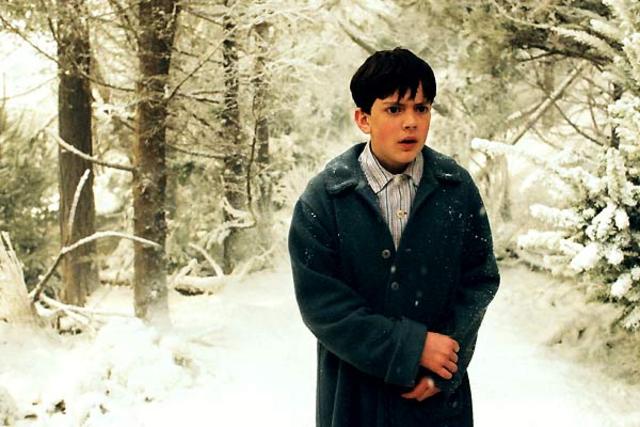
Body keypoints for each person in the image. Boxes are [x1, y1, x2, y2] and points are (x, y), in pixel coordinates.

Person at [288, 47, 500, 427]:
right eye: (394, 109)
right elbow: (322, 305)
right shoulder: (325, 198)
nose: (411, 123)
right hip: (354, 398)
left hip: (435, 403)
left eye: (422, 108)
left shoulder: (456, 188)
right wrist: (412, 348)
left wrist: (444, 367)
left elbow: (478, 281)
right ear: (363, 118)